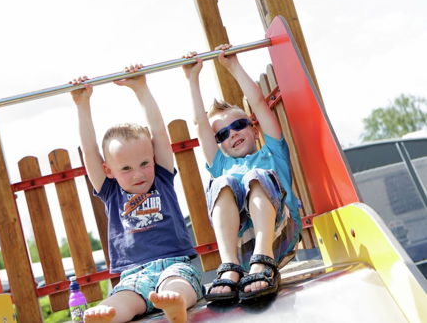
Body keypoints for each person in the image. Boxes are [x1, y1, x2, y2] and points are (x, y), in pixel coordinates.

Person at [70, 65, 202, 323]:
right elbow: (89, 151)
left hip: (173, 263)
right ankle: (109, 316)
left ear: (153, 158)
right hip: (132, 274)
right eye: (126, 169)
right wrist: (82, 105)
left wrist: (141, 88)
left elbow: (160, 134)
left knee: (179, 284)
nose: (138, 174)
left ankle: (176, 305)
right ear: (109, 170)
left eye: (144, 163)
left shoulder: (161, 176)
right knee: (124, 299)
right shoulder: (110, 191)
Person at [182, 44, 301, 303]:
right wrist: (192, 79)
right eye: (223, 134)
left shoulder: (272, 153)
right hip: (241, 246)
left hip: (280, 233)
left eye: (238, 125)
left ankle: (264, 257)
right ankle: (230, 265)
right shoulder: (221, 165)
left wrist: (233, 66)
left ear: (254, 130)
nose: (233, 133)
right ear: (220, 144)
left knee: (255, 177)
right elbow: (200, 124)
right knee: (222, 184)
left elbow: (258, 103)